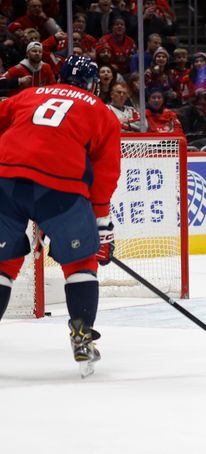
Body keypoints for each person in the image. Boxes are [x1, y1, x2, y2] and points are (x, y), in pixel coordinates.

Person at [0, 55, 121, 377]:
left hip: (6, 179)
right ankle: (82, 336)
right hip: (61, 189)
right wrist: (102, 225)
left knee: (2, 264)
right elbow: (105, 175)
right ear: (94, 83)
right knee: (81, 264)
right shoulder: (101, 112)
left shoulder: (28, 95)